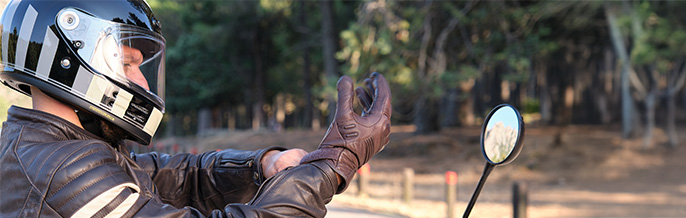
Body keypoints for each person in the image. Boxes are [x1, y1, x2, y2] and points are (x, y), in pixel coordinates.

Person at [0, 0, 392, 217]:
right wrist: (335, 163)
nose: (142, 82)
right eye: (126, 63)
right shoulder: (57, 169)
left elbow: (169, 177)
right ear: (68, 56)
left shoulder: (59, 146)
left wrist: (262, 166)